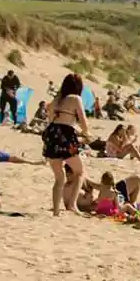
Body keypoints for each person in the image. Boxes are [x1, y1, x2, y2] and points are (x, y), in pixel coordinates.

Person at [42, 74, 90, 214]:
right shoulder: (75, 99)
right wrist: (86, 133)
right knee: (80, 172)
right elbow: (83, 122)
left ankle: (56, 211)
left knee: (59, 177)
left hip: (51, 136)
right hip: (66, 137)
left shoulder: (57, 99)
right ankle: (72, 205)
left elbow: (50, 117)